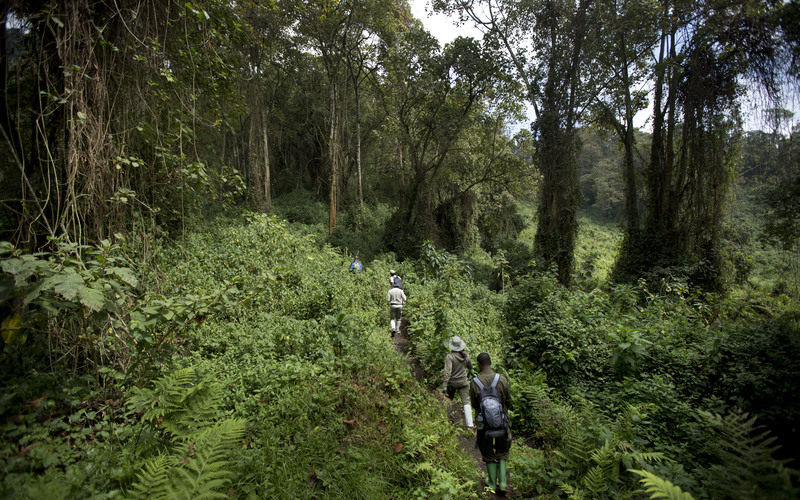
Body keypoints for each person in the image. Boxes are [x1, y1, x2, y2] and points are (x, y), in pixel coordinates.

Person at [470, 352, 511, 494]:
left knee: (487, 451)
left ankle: (492, 484)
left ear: (479, 365)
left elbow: (475, 404)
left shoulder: (474, 382)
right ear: (491, 363)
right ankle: (504, 483)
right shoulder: (502, 379)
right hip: (502, 422)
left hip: (484, 425)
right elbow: (508, 401)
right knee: (503, 449)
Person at [442, 336, 474, 428]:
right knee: (466, 402)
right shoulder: (466, 356)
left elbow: (448, 372)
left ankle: (450, 418)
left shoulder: (450, 357)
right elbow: (470, 367)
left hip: (452, 383)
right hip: (463, 382)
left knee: (449, 399)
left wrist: (444, 386)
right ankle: (470, 424)